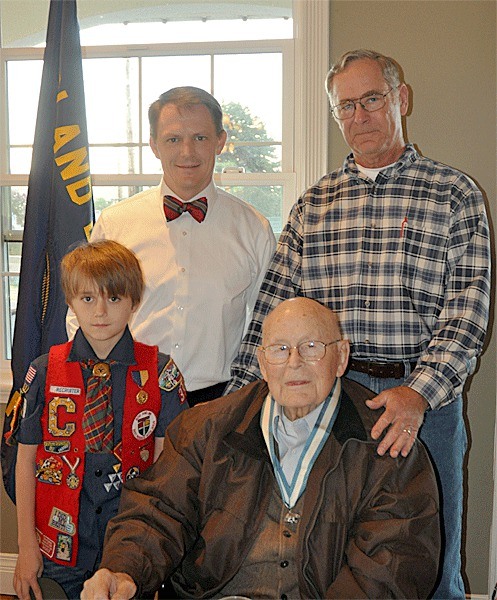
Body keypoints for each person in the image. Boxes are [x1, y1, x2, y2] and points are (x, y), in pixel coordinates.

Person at [226, 49, 491, 599]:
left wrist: (417, 394)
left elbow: (468, 311)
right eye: (346, 105)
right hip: (329, 400)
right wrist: (236, 405)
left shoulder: (455, 195)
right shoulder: (313, 206)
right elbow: (273, 311)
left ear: (402, 99)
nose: (360, 115)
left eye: (372, 99)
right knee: (328, 553)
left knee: (430, 561)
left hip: (423, 402)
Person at [81, 297, 440, 600]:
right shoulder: (206, 428)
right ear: (263, 363)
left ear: (342, 357)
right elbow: (158, 511)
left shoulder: (386, 443)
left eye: (312, 347)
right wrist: (123, 569)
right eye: (280, 350)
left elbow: (395, 561)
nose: (294, 362)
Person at [67, 86, 276, 406]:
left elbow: (268, 327)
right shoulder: (116, 224)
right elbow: (81, 313)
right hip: (126, 396)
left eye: (200, 138)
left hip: (217, 402)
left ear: (220, 141)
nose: (187, 152)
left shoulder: (254, 230)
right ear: (154, 145)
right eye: (173, 139)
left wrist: (238, 400)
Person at [10, 240, 188, 600]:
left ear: (134, 302)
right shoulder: (43, 372)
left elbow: (167, 473)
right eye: (88, 299)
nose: (101, 311)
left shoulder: (161, 372)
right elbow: (25, 461)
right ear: (70, 301)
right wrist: (26, 546)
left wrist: (152, 552)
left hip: (129, 547)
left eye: (115, 298)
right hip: (57, 546)